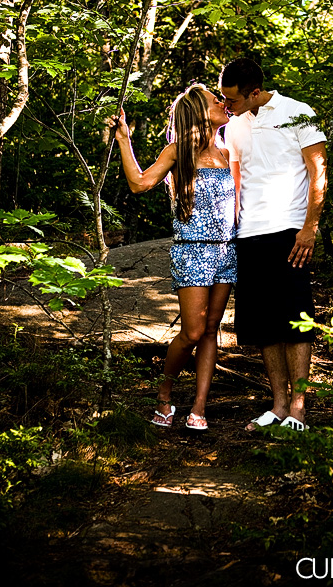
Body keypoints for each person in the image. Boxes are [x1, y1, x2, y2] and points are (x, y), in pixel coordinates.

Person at [109, 84, 236, 431]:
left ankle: (198, 408)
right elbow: (138, 183)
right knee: (193, 332)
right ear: (198, 111)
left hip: (228, 250)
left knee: (212, 330)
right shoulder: (178, 151)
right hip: (192, 250)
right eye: (216, 100)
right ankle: (164, 392)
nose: (224, 103)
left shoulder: (229, 149)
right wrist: (124, 138)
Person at [220, 58, 327, 432]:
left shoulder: (298, 112)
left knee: (296, 319)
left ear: (253, 92)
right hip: (248, 234)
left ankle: (299, 408)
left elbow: (319, 171)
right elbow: (234, 183)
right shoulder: (233, 127)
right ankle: (278, 405)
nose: (226, 105)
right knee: (264, 323)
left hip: (289, 231)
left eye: (232, 99)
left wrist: (309, 226)